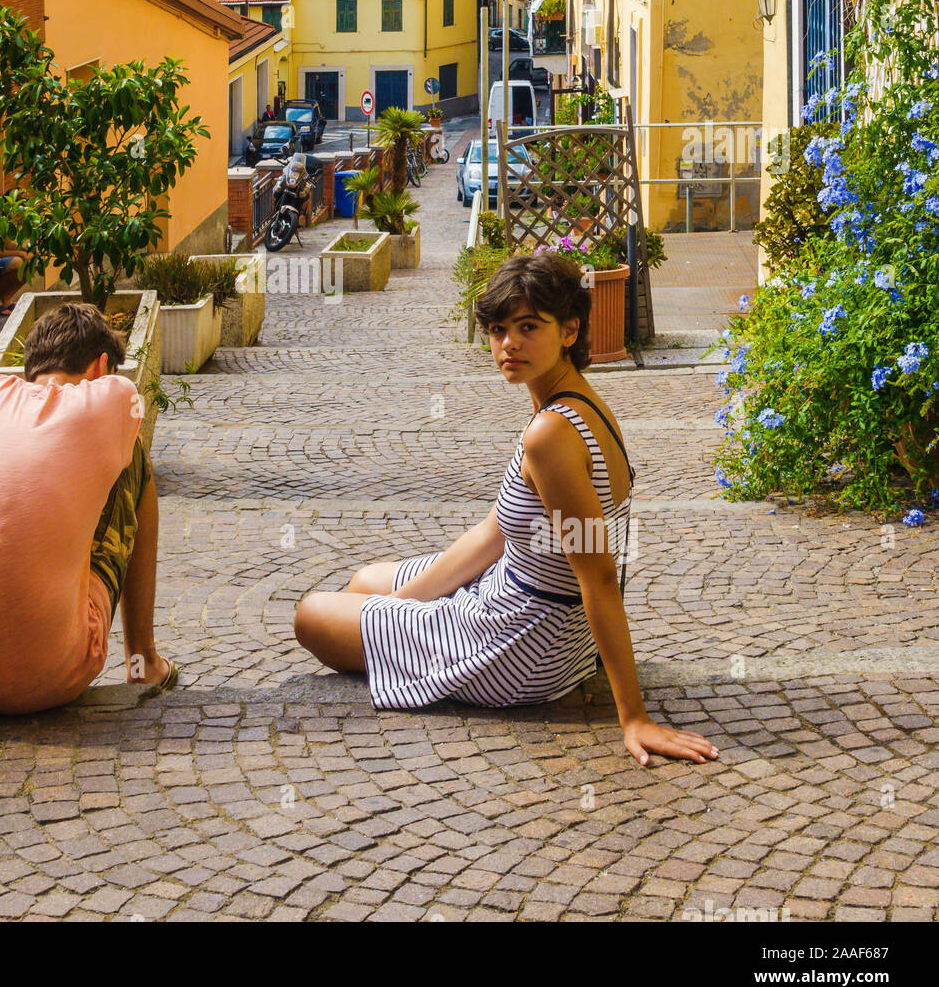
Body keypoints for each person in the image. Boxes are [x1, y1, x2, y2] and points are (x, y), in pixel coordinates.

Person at [294, 253, 719, 768]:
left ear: (569, 331)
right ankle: (403, 632)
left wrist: (635, 717)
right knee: (364, 582)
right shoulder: (577, 401)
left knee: (311, 615)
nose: (508, 345)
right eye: (498, 329)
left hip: (525, 645)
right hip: (532, 608)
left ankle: (413, 647)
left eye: (527, 327)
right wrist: (404, 609)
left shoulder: (552, 434)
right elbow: (497, 530)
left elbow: (600, 576)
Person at [0, 302, 177, 715]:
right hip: (53, 674)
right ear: (102, 367)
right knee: (134, 457)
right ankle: (144, 662)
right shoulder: (115, 396)